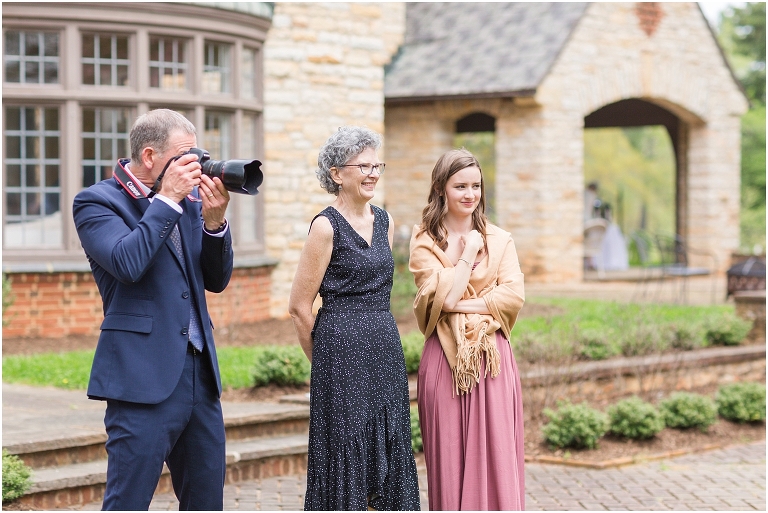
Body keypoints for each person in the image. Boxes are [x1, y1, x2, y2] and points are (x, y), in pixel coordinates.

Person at [72, 109, 233, 510]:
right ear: (149, 156)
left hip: (200, 375)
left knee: (206, 503)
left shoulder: (187, 202)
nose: (193, 166)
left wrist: (215, 224)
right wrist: (167, 200)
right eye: (183, 156)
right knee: (128, 502)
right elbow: (127, 263)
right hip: (141, 379)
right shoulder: (96, 202)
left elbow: (215, 280)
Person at [288, 126, 421, 510]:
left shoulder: (386, 221)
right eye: (363, 165)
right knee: (345, 449)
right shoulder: (325, 227)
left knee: (390, 439)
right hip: (339, 355)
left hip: (384, 348)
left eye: (377, 164)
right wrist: (326, 362)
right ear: (336, 174)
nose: (373, 173)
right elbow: (299, 307)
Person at [409, 148, 526, 510]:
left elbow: (513, 296)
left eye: (476, 186)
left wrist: (455, 302)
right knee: (448, 461)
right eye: (461, 186)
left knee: (498, 458)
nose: (470, 194)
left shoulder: (500, 239)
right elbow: (444, 297)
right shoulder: (424, 242)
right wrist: (467, 252)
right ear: (442, 188)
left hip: (492, 362)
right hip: (445, 362)